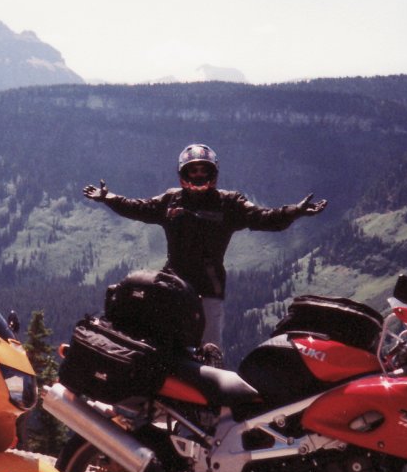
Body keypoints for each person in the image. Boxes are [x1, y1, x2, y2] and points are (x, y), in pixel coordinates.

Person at [83, 143, 326, 355]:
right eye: (193, 170)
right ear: (183, 173)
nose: (198, 175)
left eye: (203, 170)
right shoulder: (171, 199)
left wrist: (295, 211)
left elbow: (263, 218)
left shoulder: (229, 203)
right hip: (171, 285)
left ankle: (210, 407)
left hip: (208, 290)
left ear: (213, 173)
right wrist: (109, 197)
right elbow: (139, 208)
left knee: (210, 350)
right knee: (160, 342)